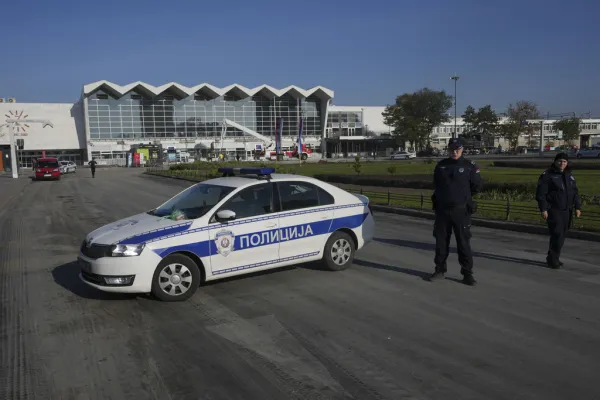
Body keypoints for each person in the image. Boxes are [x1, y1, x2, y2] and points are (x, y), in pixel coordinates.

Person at [429, 138, 483, 285]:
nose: (454, 151)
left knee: (463, 243)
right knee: (441, 243)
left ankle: (467, 273)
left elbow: (476, 186)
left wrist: (462, 196)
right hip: (442, 211)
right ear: (448, 149)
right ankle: (439, 270)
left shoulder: (469, 166)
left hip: (461, 211)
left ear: (462, 149)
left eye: (457, 149)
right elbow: (436, 184)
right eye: (452, 149)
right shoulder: (441, 166)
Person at [535, 152, 581, 268]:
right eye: (560, 161)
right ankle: (553, 260)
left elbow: (574, 192)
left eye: (564, 162)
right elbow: (541, 194)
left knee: (561, 234)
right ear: (555, 162)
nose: (562, 164)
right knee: (557, 234)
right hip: (554, 209)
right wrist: (544, 209)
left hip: (567, 210)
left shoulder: (569, 175)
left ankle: (553, 256)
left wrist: (578, 207)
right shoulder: (548, 175)